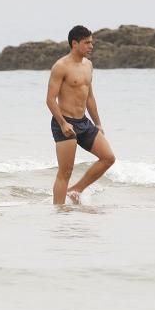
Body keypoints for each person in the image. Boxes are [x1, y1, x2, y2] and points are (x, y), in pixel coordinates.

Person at [46, 25, 116, 204]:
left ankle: (76, 190)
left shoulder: (88, 65)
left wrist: (98, 124)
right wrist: (62, 123)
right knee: (65, 172)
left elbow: (90, 97)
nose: (91, 46)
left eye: (92, 42)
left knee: (108, 158)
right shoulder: (60, 67)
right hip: (65, 123)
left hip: (84, 122)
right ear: (74, 43)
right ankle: (59, 212)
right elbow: (50, 100)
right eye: (87, 43)